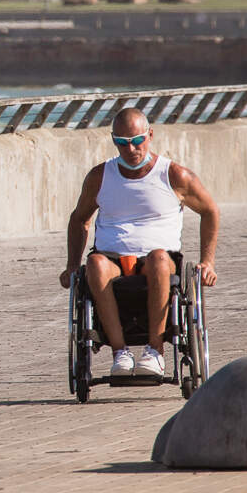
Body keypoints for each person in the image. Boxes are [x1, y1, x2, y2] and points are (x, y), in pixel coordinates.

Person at [57, 107, 219, 378]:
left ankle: (155, 351)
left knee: (157, 259)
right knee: (94, 263)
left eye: (137, 140)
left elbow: (210, 211)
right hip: (112, 259)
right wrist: (72, 265)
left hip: (159, 259)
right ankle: (120, 353)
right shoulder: (100, 176)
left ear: (150, 135)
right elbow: (79, 219)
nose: (130, 149)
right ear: (113, 140)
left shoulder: (174, 175)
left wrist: (208, 262)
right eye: (122, 142)